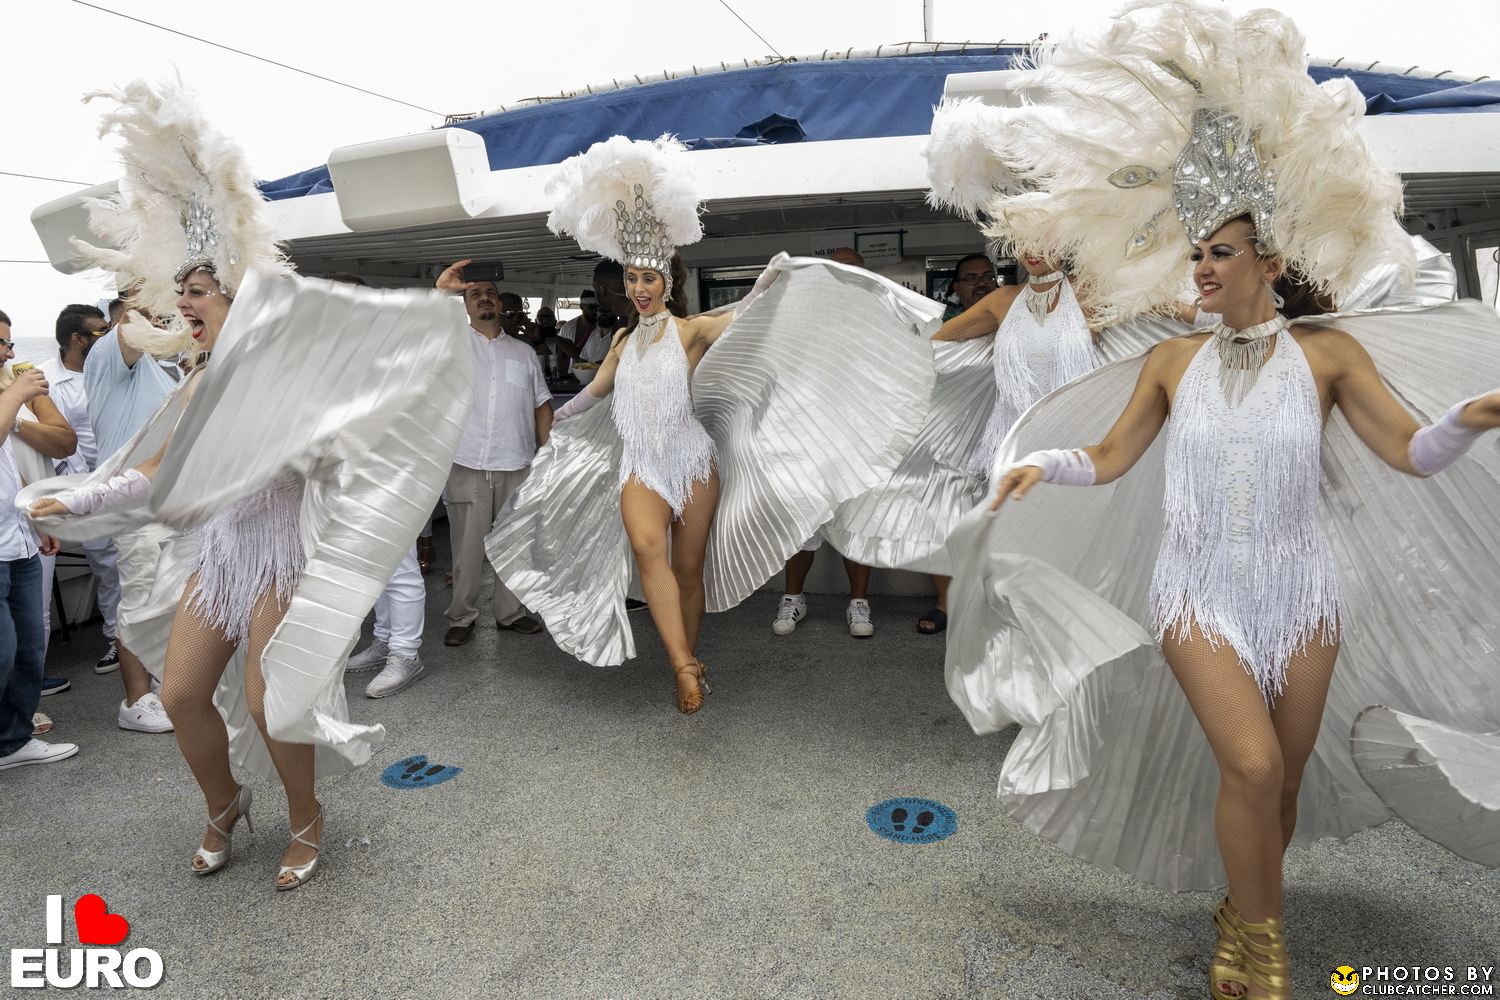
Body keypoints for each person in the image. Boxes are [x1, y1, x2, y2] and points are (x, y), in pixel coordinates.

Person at [939, 6, 1500, 998]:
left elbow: (1411, 453)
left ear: (1268, 263)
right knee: (1247, 767)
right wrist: (1045, 465)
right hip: (1196, 593)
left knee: (1274, 784)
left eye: (1221, 252)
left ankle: (1245, 906)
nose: (1200, 266)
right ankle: (1263, 952)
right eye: (1194, 250)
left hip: (1305, 596)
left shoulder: (1330, 355)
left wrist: (1475, 414)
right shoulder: (1168, 359)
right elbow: (1110, 457)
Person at [27, 77, 469, 889]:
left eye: (196, 294)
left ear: (236, 298)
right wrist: (77, 497)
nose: (183, 306)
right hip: (223, 554)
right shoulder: (194, 382)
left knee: (271, 701)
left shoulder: (287, 376)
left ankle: (307, 818)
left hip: (285, 555)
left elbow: (355, 416)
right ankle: (224, 804)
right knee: (184, 692)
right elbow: (152, 473)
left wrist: (426, 319)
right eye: (182, 294)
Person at [486, 136, 942, 711]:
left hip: (694, 461)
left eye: (648, 279)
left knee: (688, 566)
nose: (638, 289)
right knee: (648, 550)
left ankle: (691, 653)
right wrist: (549, 433)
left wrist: (776, 277)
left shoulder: (691, 331)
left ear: (666, 283)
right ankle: (681, 665)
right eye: (631, 279)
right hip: (640, 465)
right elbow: (591, 397)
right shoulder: (623, 341)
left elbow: (751, 315)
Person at [436, 273, 551, 647]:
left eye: (491, 294)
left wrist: (548, 454)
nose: (484, 299)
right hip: (467, 462)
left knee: (514, 544)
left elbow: (541, 406)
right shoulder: (449, 347)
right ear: (466, 305)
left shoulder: (524, 353)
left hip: (516, 462)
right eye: (475, 295)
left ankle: (510, 612)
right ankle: (461, 616)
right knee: (466, 548)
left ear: (501, 304)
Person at [772, 248, 877, 640]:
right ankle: (794, 598)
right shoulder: (803, 316)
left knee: (859, 523)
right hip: (808, 438)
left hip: (860, 440)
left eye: (852, 269)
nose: (843, 275)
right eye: (837, 269)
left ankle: (859, 603)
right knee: (802, 525)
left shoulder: (877, 318)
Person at [39, 307, 129, 686]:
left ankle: (135, 641)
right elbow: (55, 437)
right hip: (79, 486)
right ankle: (117, 640)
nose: (108, 337)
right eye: (100, 332)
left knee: (131, 562)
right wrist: (76, 485)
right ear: (77, 339)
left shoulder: (111, 367)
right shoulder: (45, 379)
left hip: (124, 478)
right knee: (107, 563)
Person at [0, 308, 73, 771]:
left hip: (17, 537)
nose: (8, 352)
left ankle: (13, 740)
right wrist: (18, 394)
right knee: (3, 650)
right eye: (1, 344)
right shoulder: (10, 393)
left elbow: (14, 466)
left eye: (9, 344)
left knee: (29, 648)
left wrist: (33, 517)